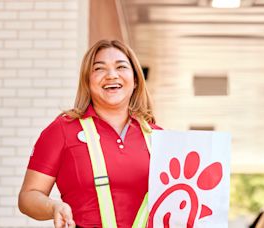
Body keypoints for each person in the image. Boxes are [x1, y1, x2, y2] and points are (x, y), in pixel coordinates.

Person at [18, 39, 161, 228]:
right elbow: (28, 196)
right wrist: (53, 207)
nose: (111, 75)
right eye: (99, 68)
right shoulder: (62, 130)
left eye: (121, 67)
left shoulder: (158, 137)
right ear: (87, 80)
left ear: (135, 80)